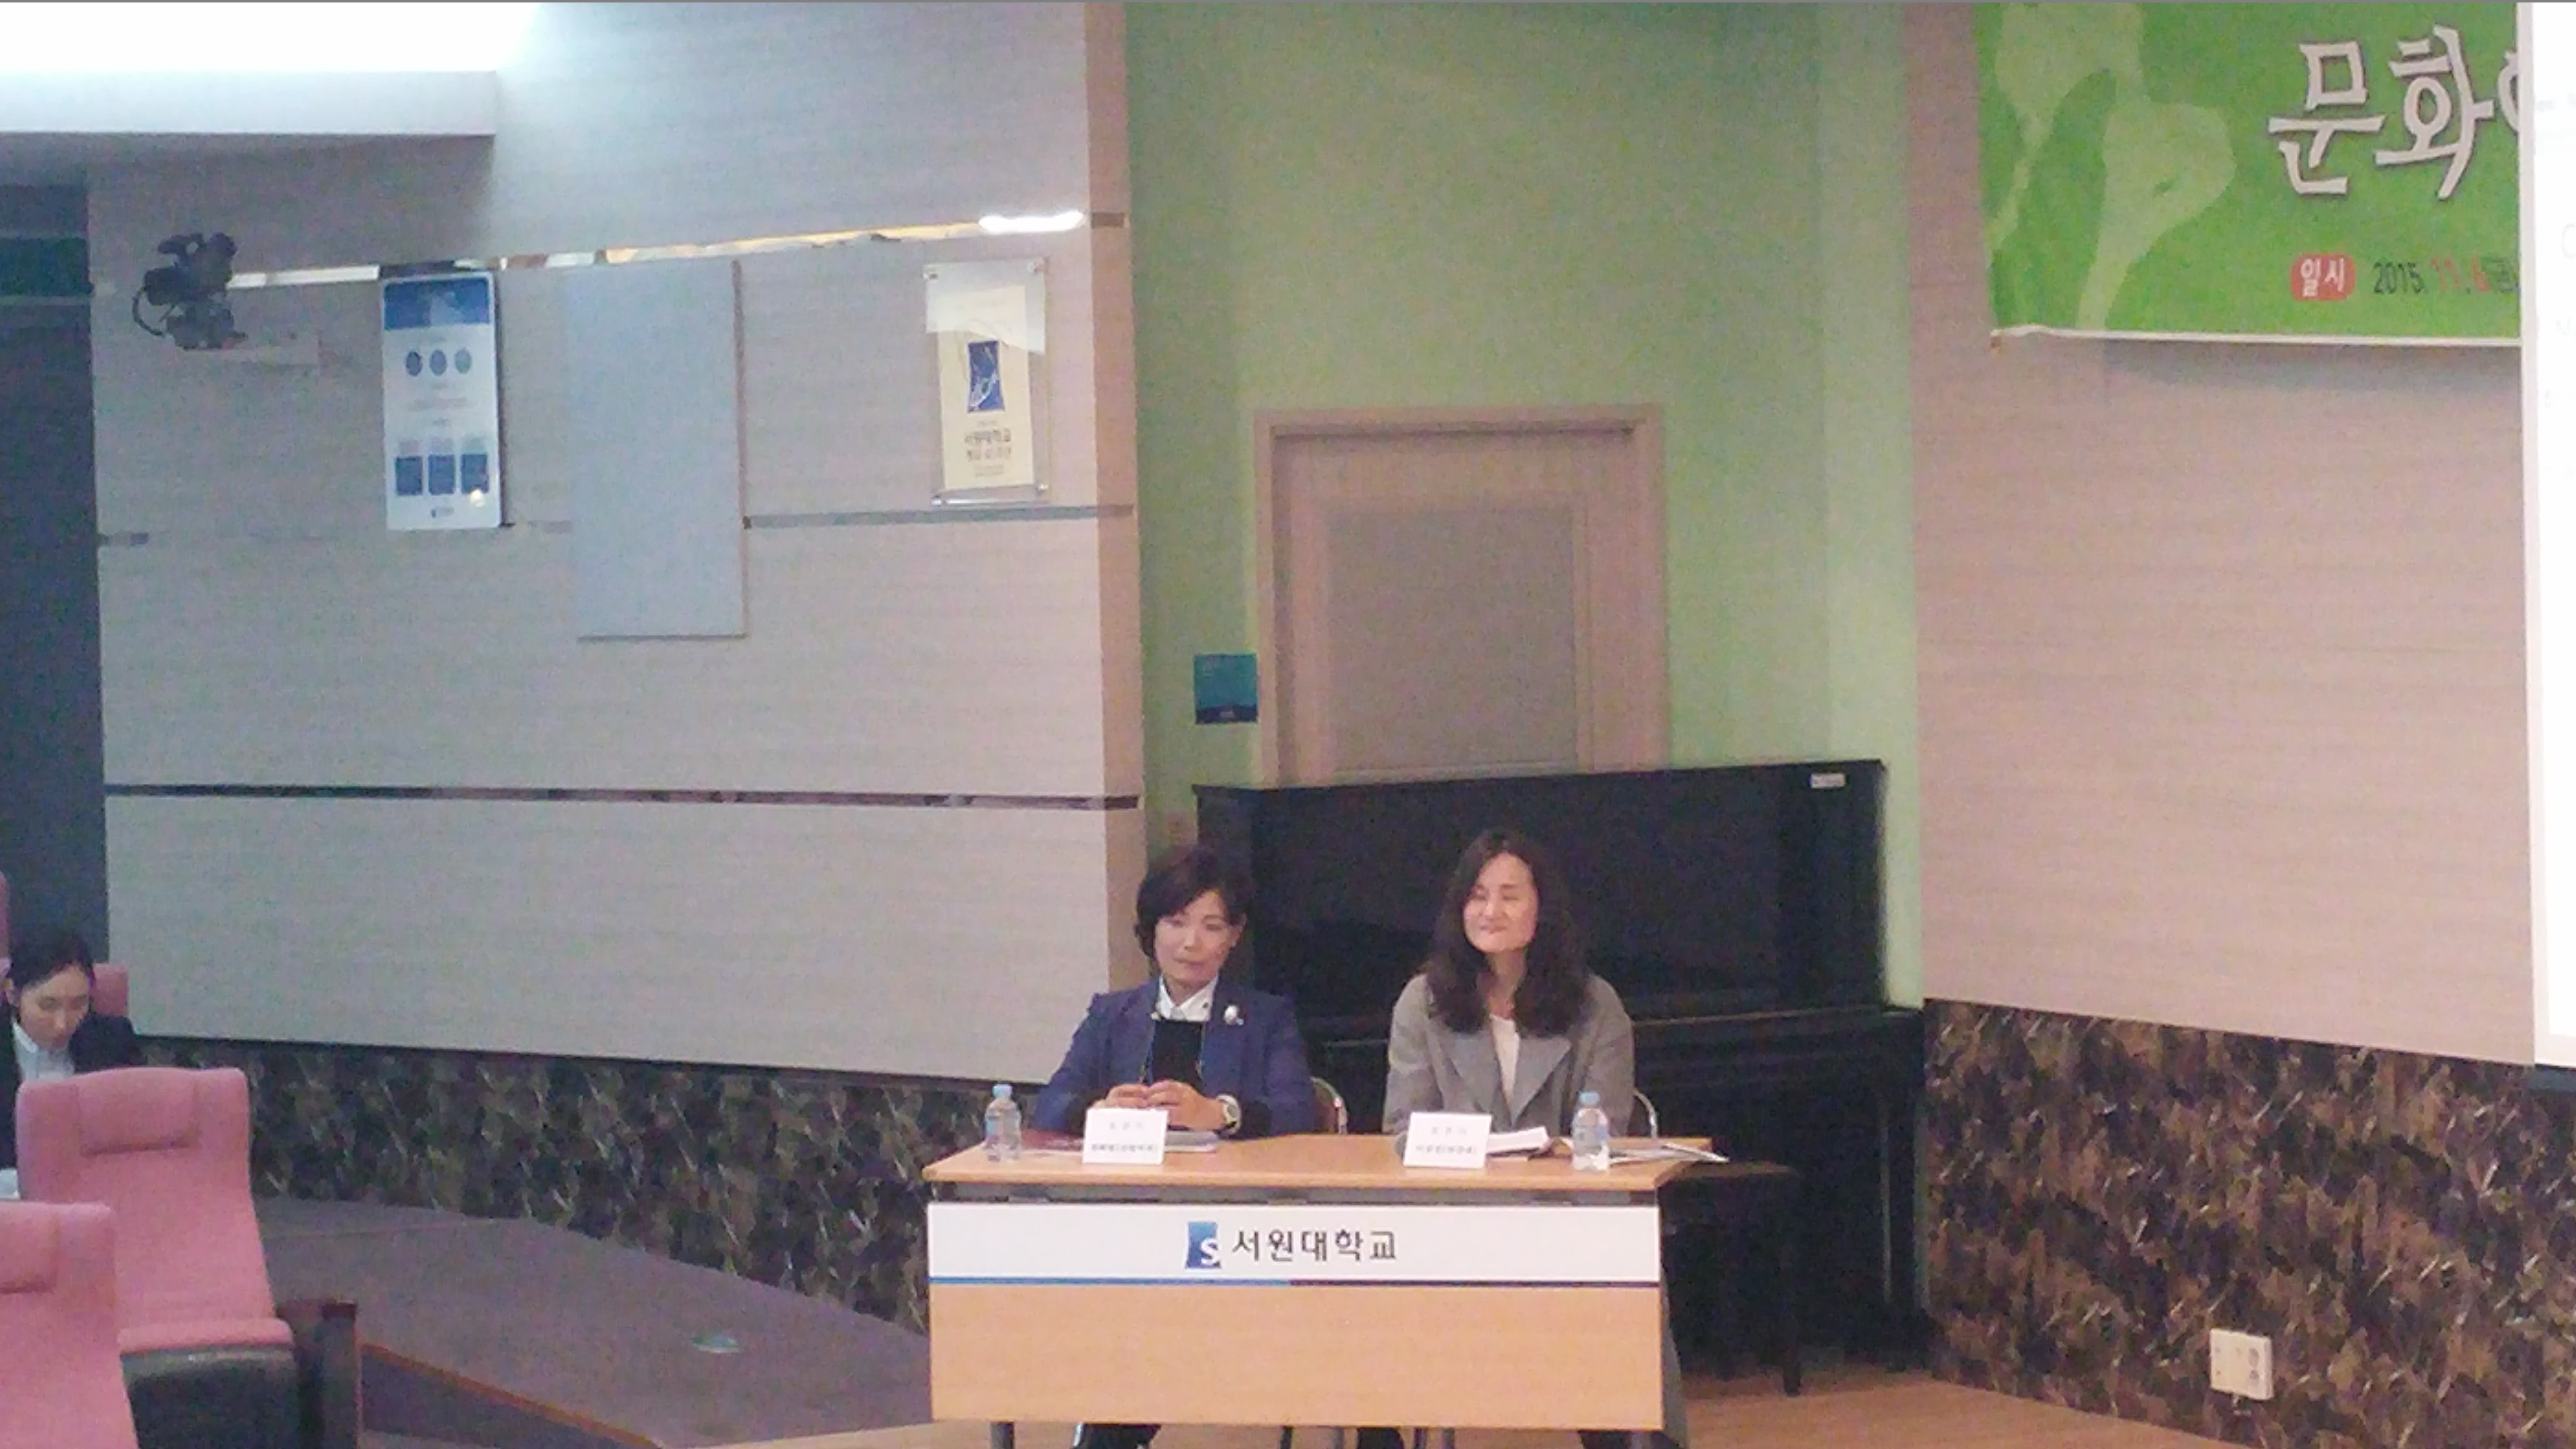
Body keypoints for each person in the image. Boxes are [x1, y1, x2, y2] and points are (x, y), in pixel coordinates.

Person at [1364, 829, 1674, 1449]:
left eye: (1509, 896)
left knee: (1627, 1281)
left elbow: (1605, 1132)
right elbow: (1402, 1128)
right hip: (1452, 1221)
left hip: (1564, 1220)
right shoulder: (1423, 1002)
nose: (1491, 911)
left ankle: (1632, 1435)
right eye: (1477, 896)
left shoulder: (1594, 1005)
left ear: (1542, 908)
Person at [1032, 843, 1319, 1449]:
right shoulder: (1113, 1015)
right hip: (1128, 1215)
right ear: (1151, 930)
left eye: (1211, 926)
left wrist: (1220, 1112)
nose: (1191, 942)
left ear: (1233, 937)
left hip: (1233, 1220)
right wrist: (1095, 1110)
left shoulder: (1265, 1017)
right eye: (1176, 922)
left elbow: (1297, 1108)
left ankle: (1119, 1420)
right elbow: (1052, 1102)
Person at [1, 927, 144, 1196]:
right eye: (48, 1005)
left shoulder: (113, 1040)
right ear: (12, 994)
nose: (62, 1024)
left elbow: (135, 1133)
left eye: (79, 1004)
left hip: (93, 1192)